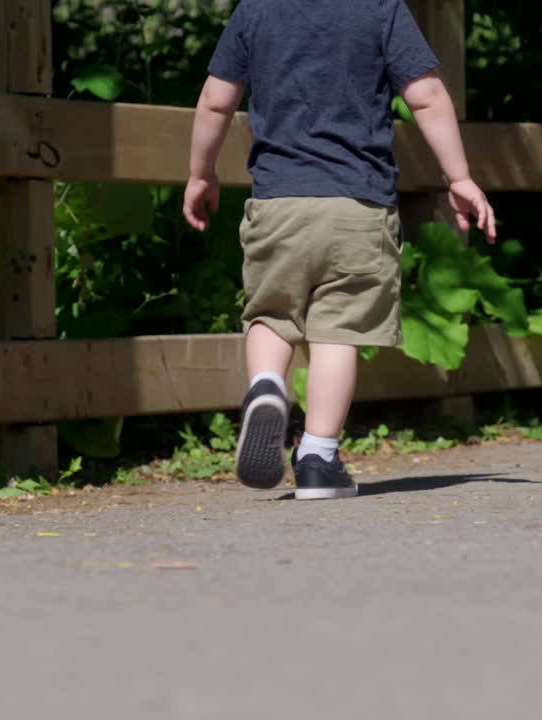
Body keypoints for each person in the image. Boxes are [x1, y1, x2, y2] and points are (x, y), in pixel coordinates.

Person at [183, 0, 496, 500]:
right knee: (339, 330)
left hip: (277, 201)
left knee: (271, 314)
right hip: (358, 205)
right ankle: (318, 458)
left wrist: (201, 173)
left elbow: (216, 101)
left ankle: (267, 384)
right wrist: (458, 177)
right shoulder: (381, 8)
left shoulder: (256, 10)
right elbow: (428, 96)